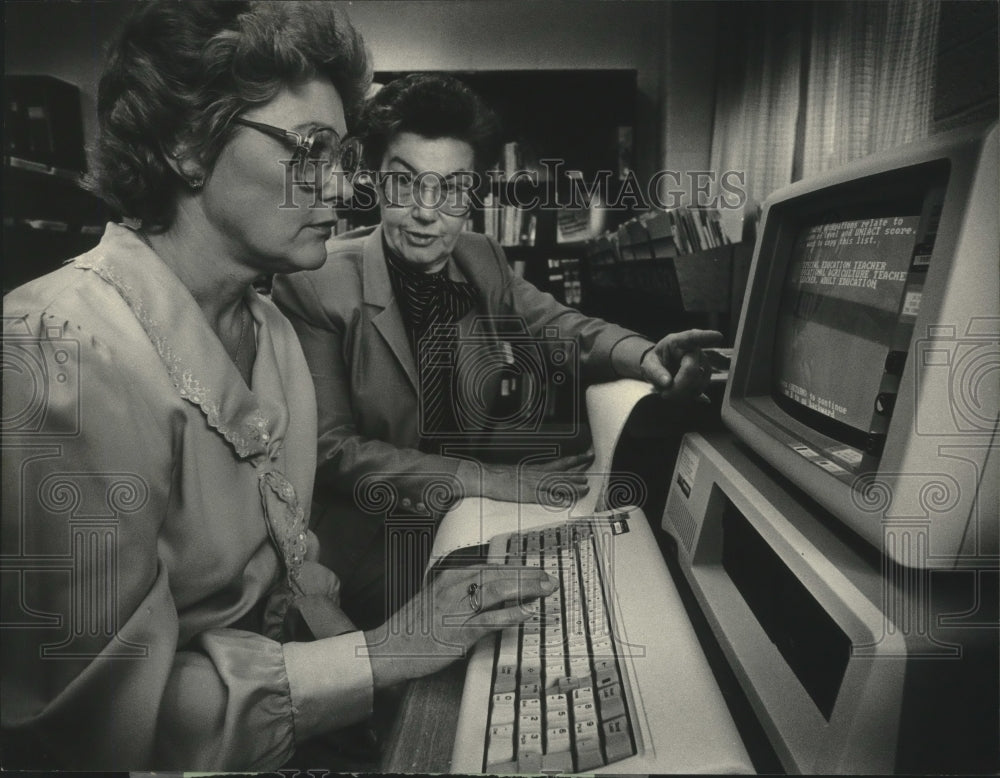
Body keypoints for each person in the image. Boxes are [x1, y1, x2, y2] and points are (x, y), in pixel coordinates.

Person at [0, 5, 557, 771]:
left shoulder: (273, 332)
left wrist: (373, 678)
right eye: (310, 148)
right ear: (185, 145)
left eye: (344, 153)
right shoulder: (56, 351)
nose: (344, 184)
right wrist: (384, 653)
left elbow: (293, 586)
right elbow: (90, 738)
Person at [271, 73, 721, 627]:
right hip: (373, 541)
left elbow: (562, 323)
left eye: (452, 188)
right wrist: (493, 480)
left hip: (473, 515)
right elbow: (333, 452)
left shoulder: (480, 256)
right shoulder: (315, 282)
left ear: (473, 195)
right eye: (405, 183)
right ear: (376, 184)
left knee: (599, 597)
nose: (426, 212)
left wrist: (646, 353)